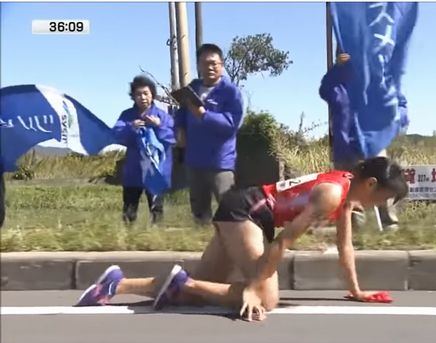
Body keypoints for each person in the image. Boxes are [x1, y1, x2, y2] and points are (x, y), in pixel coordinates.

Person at [76, 157, 408, 321]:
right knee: (266, 299)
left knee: (202, 287)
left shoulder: (348, 193)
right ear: (371, 184)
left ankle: (116, 285)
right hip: (247, 212)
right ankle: (183, 284)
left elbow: (344, 245)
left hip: (246, 211)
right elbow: (283, 243)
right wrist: (252, 286)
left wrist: (355, 290)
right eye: (384, 198)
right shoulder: (332, 195)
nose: (381, 205)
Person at [319, 52, 409, 230]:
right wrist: (339, 69)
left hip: (375, 141)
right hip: (346, 144)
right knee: (349, 190)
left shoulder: (381, 77)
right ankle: (354, 230)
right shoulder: (339, 78)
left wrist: (393, 120)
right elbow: (326, 91)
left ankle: (389, 225)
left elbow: (401, 105)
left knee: (384, 182)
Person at [174, 43, 244, 225]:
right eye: (205, 63)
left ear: (222, 65)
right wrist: (180, 129)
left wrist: (204, 115)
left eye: (214, 63)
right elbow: (181, 113)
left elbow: (231, 124)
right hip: (194, 161)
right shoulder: (192, 88)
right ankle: (203, 244)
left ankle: (234, 245)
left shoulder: (231, 92)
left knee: (229, 211)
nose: (210, 67)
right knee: (199, 212)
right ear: (198, 66)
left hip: (220, 163)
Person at [112, 76, 176, 224]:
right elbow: (116, 135)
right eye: (138, 94)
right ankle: (127, 238)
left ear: (152, 94)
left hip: (155, 171)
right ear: (133, 97)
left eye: (146, 93)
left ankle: (156, 238)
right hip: (134, 171)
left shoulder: (162, 116)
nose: (142, 97)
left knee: (156, 210)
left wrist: (159, 126)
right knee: (129, 209)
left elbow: (173, 138)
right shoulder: (127, 116)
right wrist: (131, 127)